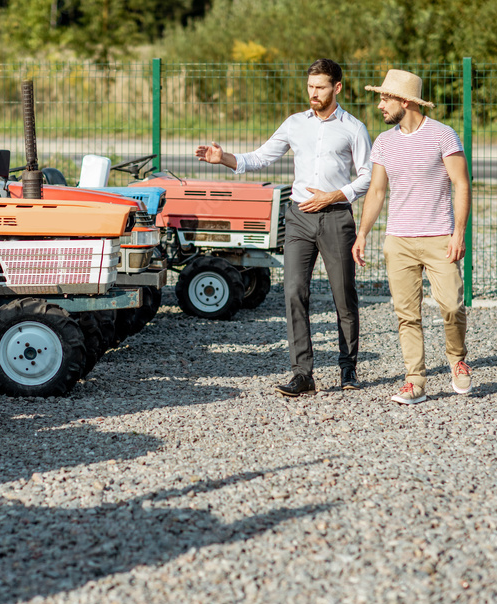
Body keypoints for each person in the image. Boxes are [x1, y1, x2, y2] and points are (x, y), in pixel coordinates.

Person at [195, 58, 372, 396]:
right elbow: (260, 157)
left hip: (336, 217)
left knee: (343, 297)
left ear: (337, 88)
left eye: (320, 87)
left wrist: (335, 194)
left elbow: (368, 176)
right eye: (309, 87)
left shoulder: (354, 128)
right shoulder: (294, 124)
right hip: (299, 218)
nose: (313, 94)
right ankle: (302, 374)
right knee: (293, 292)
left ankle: (348, 368)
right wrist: (225, 158)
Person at [351, 69, 473, 405]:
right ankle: (415, 381)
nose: (379, 105)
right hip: (399, 241)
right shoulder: (384, 141)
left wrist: (458, 233)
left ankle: (457, 358)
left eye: (385, 98)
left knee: (452, 306)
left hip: (439, 238)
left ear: (406, 101)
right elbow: (376, 192)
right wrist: (362, 233)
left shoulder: (443, 136)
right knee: (407, 315)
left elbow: (461, 184)